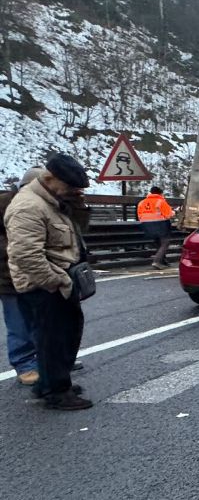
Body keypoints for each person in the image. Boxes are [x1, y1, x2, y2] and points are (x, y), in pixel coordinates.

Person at [5, 154, 93, 410]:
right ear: (49, 178)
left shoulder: (53, 201)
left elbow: (76, 233)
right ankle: (56, 392)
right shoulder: (29, 207)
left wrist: (76, 204)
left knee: (63, 334)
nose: (72, 191)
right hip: (45, 286)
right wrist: (58, 282)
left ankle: (51, 382)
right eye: (69, 186)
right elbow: (26, 256)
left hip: (58, 280)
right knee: (53, 338)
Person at [1, 167, 45, 386]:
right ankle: (25, 363)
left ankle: (47, 359)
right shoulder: (7, 205)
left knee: (44, 319)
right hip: (8, 275)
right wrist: (17, 249)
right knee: (18, 322)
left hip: (37, 272)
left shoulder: (43, 204)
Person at [137, 186, 174, 270]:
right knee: (165, 242)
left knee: (158, 242)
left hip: (146, 225)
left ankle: (163, 261)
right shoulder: (161, 201)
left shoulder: (141, 202)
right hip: (160, 224)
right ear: (160, 193)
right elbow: (168, 214)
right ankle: (156, 261)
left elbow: (139, 215)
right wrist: (174, 212)